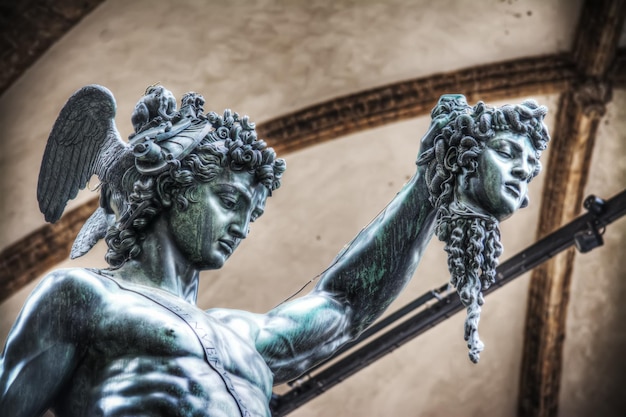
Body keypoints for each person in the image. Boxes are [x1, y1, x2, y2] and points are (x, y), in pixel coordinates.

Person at [0, 87, 549, 417]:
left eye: (252, 213)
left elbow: (344, 306)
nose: (242, 226)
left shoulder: (245, 339)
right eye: (230, 200)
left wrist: (435, 180)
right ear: (172, 189)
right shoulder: (80, 296)